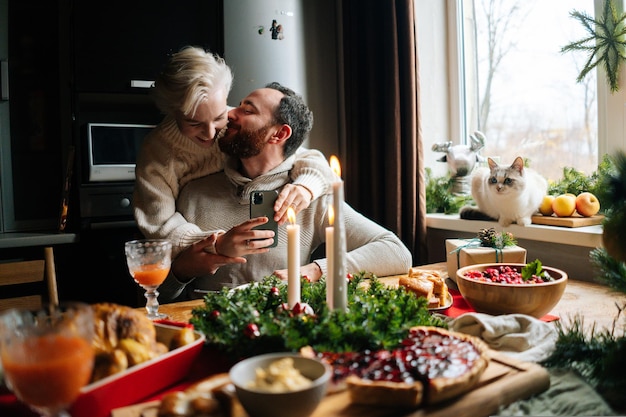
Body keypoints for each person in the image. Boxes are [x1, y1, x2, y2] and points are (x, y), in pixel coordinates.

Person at [159, 82, 412, 302]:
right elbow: (158, 293)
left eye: (247, 110)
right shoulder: (193, 193)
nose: (229, 114)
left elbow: (396, 252)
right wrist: (183, 269)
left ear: (279, 133)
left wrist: (314, 271)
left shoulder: (309, 198)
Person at [133, 46, 334, 257]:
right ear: (173, 112)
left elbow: (301, 155)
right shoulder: (157, 152)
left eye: (219, 116)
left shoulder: (234, 125)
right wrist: (216, 243)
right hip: (192, 250)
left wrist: (306, 187)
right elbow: (160, 227)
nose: (210, 133)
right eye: (194, 123)